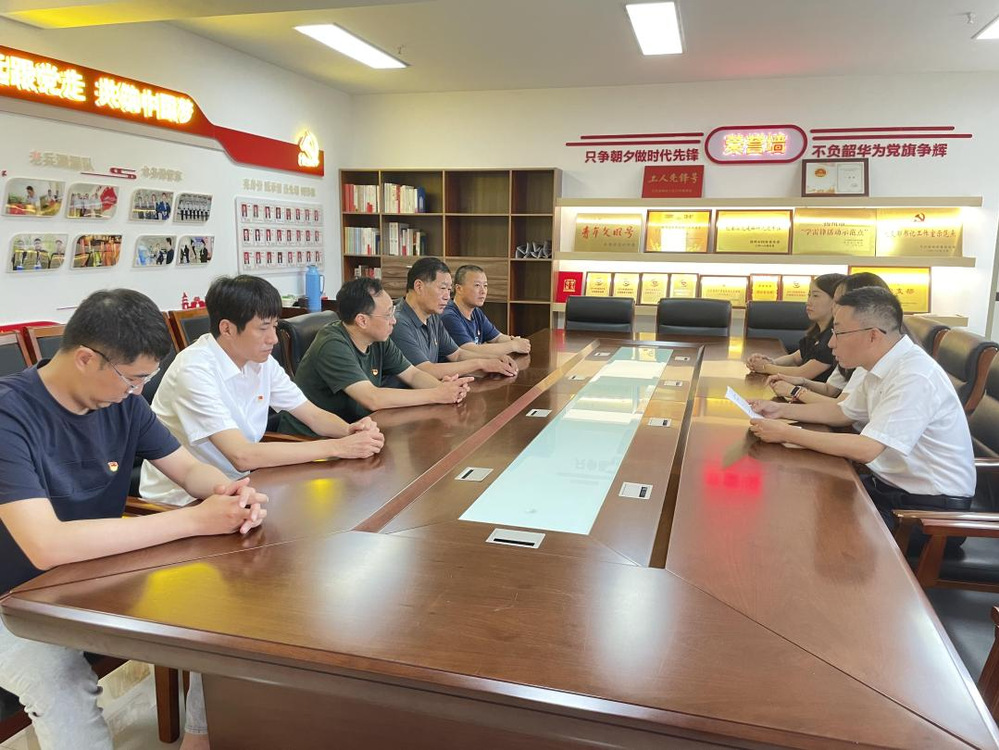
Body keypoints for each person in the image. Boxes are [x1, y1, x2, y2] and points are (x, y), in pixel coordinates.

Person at [0, 289, 267, 750]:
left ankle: (199, 740)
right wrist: (194, 522)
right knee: (60, 680)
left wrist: (227, 491)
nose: (138, 390)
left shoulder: (123, 403)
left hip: (90, 576)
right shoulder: (10, 415)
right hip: (12, 598)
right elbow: (46, 545)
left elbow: (187, 470)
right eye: (133, 378)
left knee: (223, 614)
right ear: (86, 358)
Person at [140, 275, 384, 506]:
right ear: (227, 329)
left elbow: (312, 415)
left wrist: (351, 432)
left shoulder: (260, 361)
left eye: (275, 326)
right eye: (263, 328)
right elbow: (242, 455)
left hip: (244, 484)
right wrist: (337, 447)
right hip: (183, 499)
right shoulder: (193, 370)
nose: (274, 339)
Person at [748, 286, 975, 535]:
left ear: (873, 336)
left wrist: (785, 433)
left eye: (839, 333)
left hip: (928, 514)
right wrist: (779, 410)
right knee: (797, 500)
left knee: (809, 527)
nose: (831, 343)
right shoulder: (880, 365)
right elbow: (842, 412)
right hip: (888, 490)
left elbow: (866, 449)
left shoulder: (914, 375)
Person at [281, 278, 473, 433]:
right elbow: (372, 398)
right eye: (388, 315)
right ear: (362, 321)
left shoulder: (378, 338)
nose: (394, 321)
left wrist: (446, 389)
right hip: (313, 439)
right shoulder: (332, 344)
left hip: (359, 430)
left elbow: (413, 374)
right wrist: (436, 394)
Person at [767, 272, 891, 405]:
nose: (834, 308)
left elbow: (841, 410)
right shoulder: (857, 347)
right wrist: (801, 382)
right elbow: (830, 390)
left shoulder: (877, 356)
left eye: (838, 302)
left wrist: (795, 391)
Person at [389, 257, 519, 381]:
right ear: (419, 286)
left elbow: (457, 354)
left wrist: (495, 358)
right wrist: (480, 363)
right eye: (442, 288)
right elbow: (425, 370)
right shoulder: (397, 321)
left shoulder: (433, 316)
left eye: (449, 289)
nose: (447, 296)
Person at [746, 273, 845, 382]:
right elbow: (794, 358)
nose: (808, 302)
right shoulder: (817, 333)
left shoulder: (834, 337)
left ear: (836, 300)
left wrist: (765, 367)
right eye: (809, 295)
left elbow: (802, 373)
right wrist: (769, 362)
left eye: (815, 296)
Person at [442, 264, 531, 357]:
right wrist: (513, 345)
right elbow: (469, 349)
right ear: (459, 289)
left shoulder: (476, 312)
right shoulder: (449, 316)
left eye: (485, 286)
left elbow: (497, 338)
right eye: (477, 285)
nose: (483, 291)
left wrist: (516, 341)